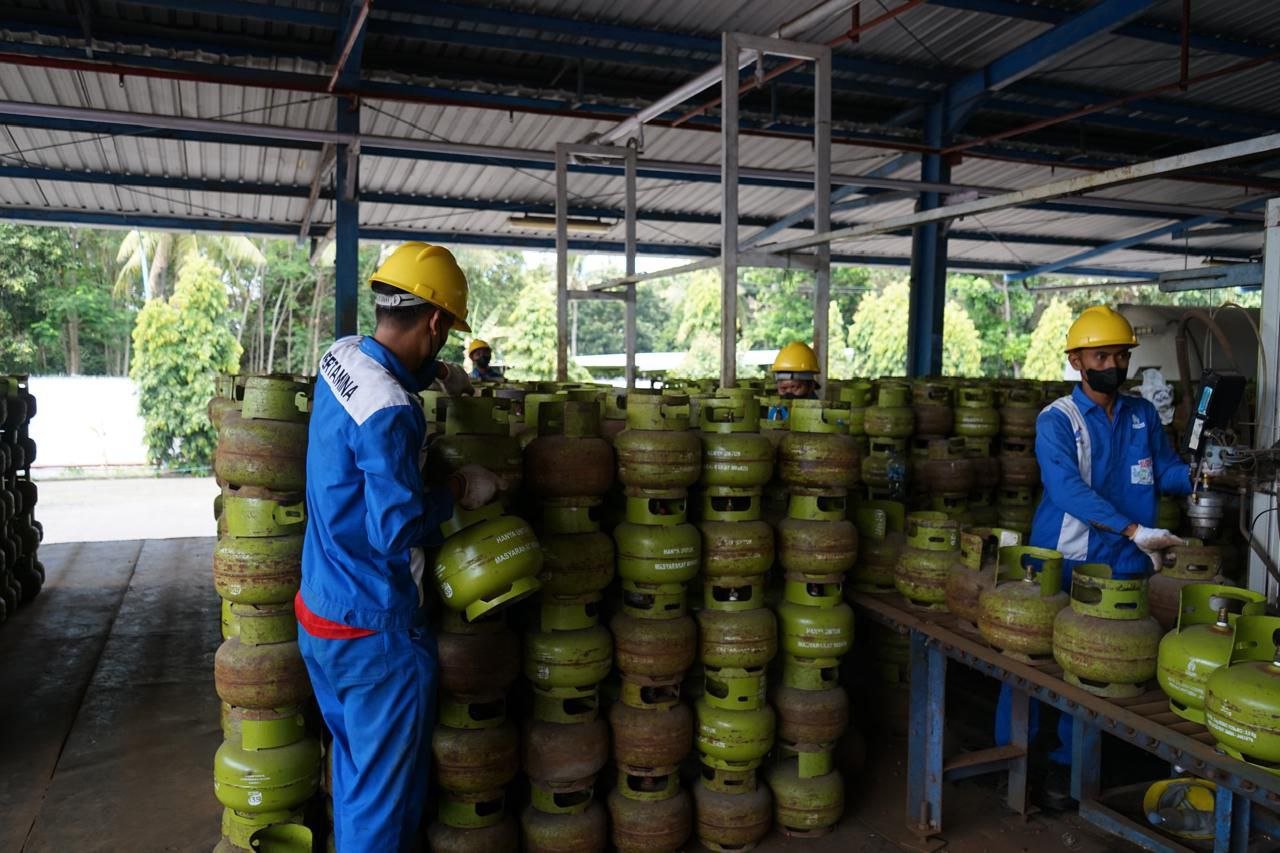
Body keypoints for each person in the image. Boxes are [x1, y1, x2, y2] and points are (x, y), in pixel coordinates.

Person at [295, 242, 504, 852]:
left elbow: (383, 366)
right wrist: (460, 489)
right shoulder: (393, 412)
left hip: (321, 611)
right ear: (435, 322)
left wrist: (440, 373)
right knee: (381, 808)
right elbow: (394, 529)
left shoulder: (339, 356)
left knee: (358, 774)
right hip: (374, 635)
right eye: (445, 337)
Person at [996, 305, 1190, 807]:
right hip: (1066, 560)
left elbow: (1165, 470)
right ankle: (1011, 758)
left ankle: (1067, 768)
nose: (1113, 365)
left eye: (1120, 356)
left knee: (1092, 666)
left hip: (1126, 563)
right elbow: (1066, 490)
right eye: (1101, 356)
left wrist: (1204, 474)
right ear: (1077, 362)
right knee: (1033, 658)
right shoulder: (1057, 420)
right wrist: (1133, 529)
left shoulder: (1142, 415)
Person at [767, 341, 820, 421]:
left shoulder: (821, 413)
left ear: (811, 386)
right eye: (783, 388)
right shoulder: (776, 412)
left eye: (794, 387)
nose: (789, 391)